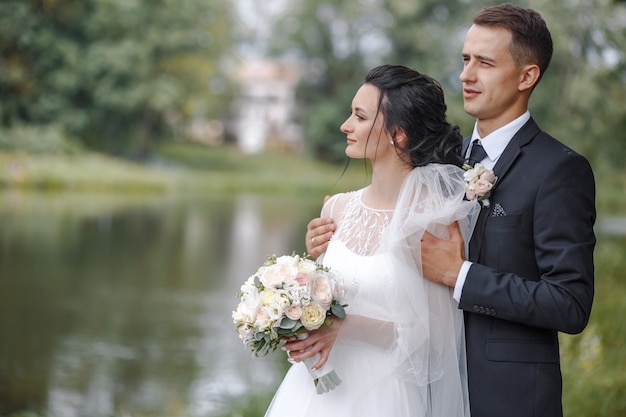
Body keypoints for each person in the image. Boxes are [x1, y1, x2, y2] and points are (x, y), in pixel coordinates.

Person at [303, 4, 596, 417]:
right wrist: (333, 248)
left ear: (527, 76)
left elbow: (569, 303)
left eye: (485, 63)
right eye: (465, 59)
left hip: (504, 396)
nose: (466, 75)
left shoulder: (559, 170)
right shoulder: (433, 163)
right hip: (414, 389)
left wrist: (460, 275)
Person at [265, 65, 480, 417]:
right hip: (314, 393)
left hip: (384, 397)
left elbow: (439, 343)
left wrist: (347, 327)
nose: (345, 126)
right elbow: (324, 300)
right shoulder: (336, 208)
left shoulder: (432, 220)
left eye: (359, 117)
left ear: (398, 134)